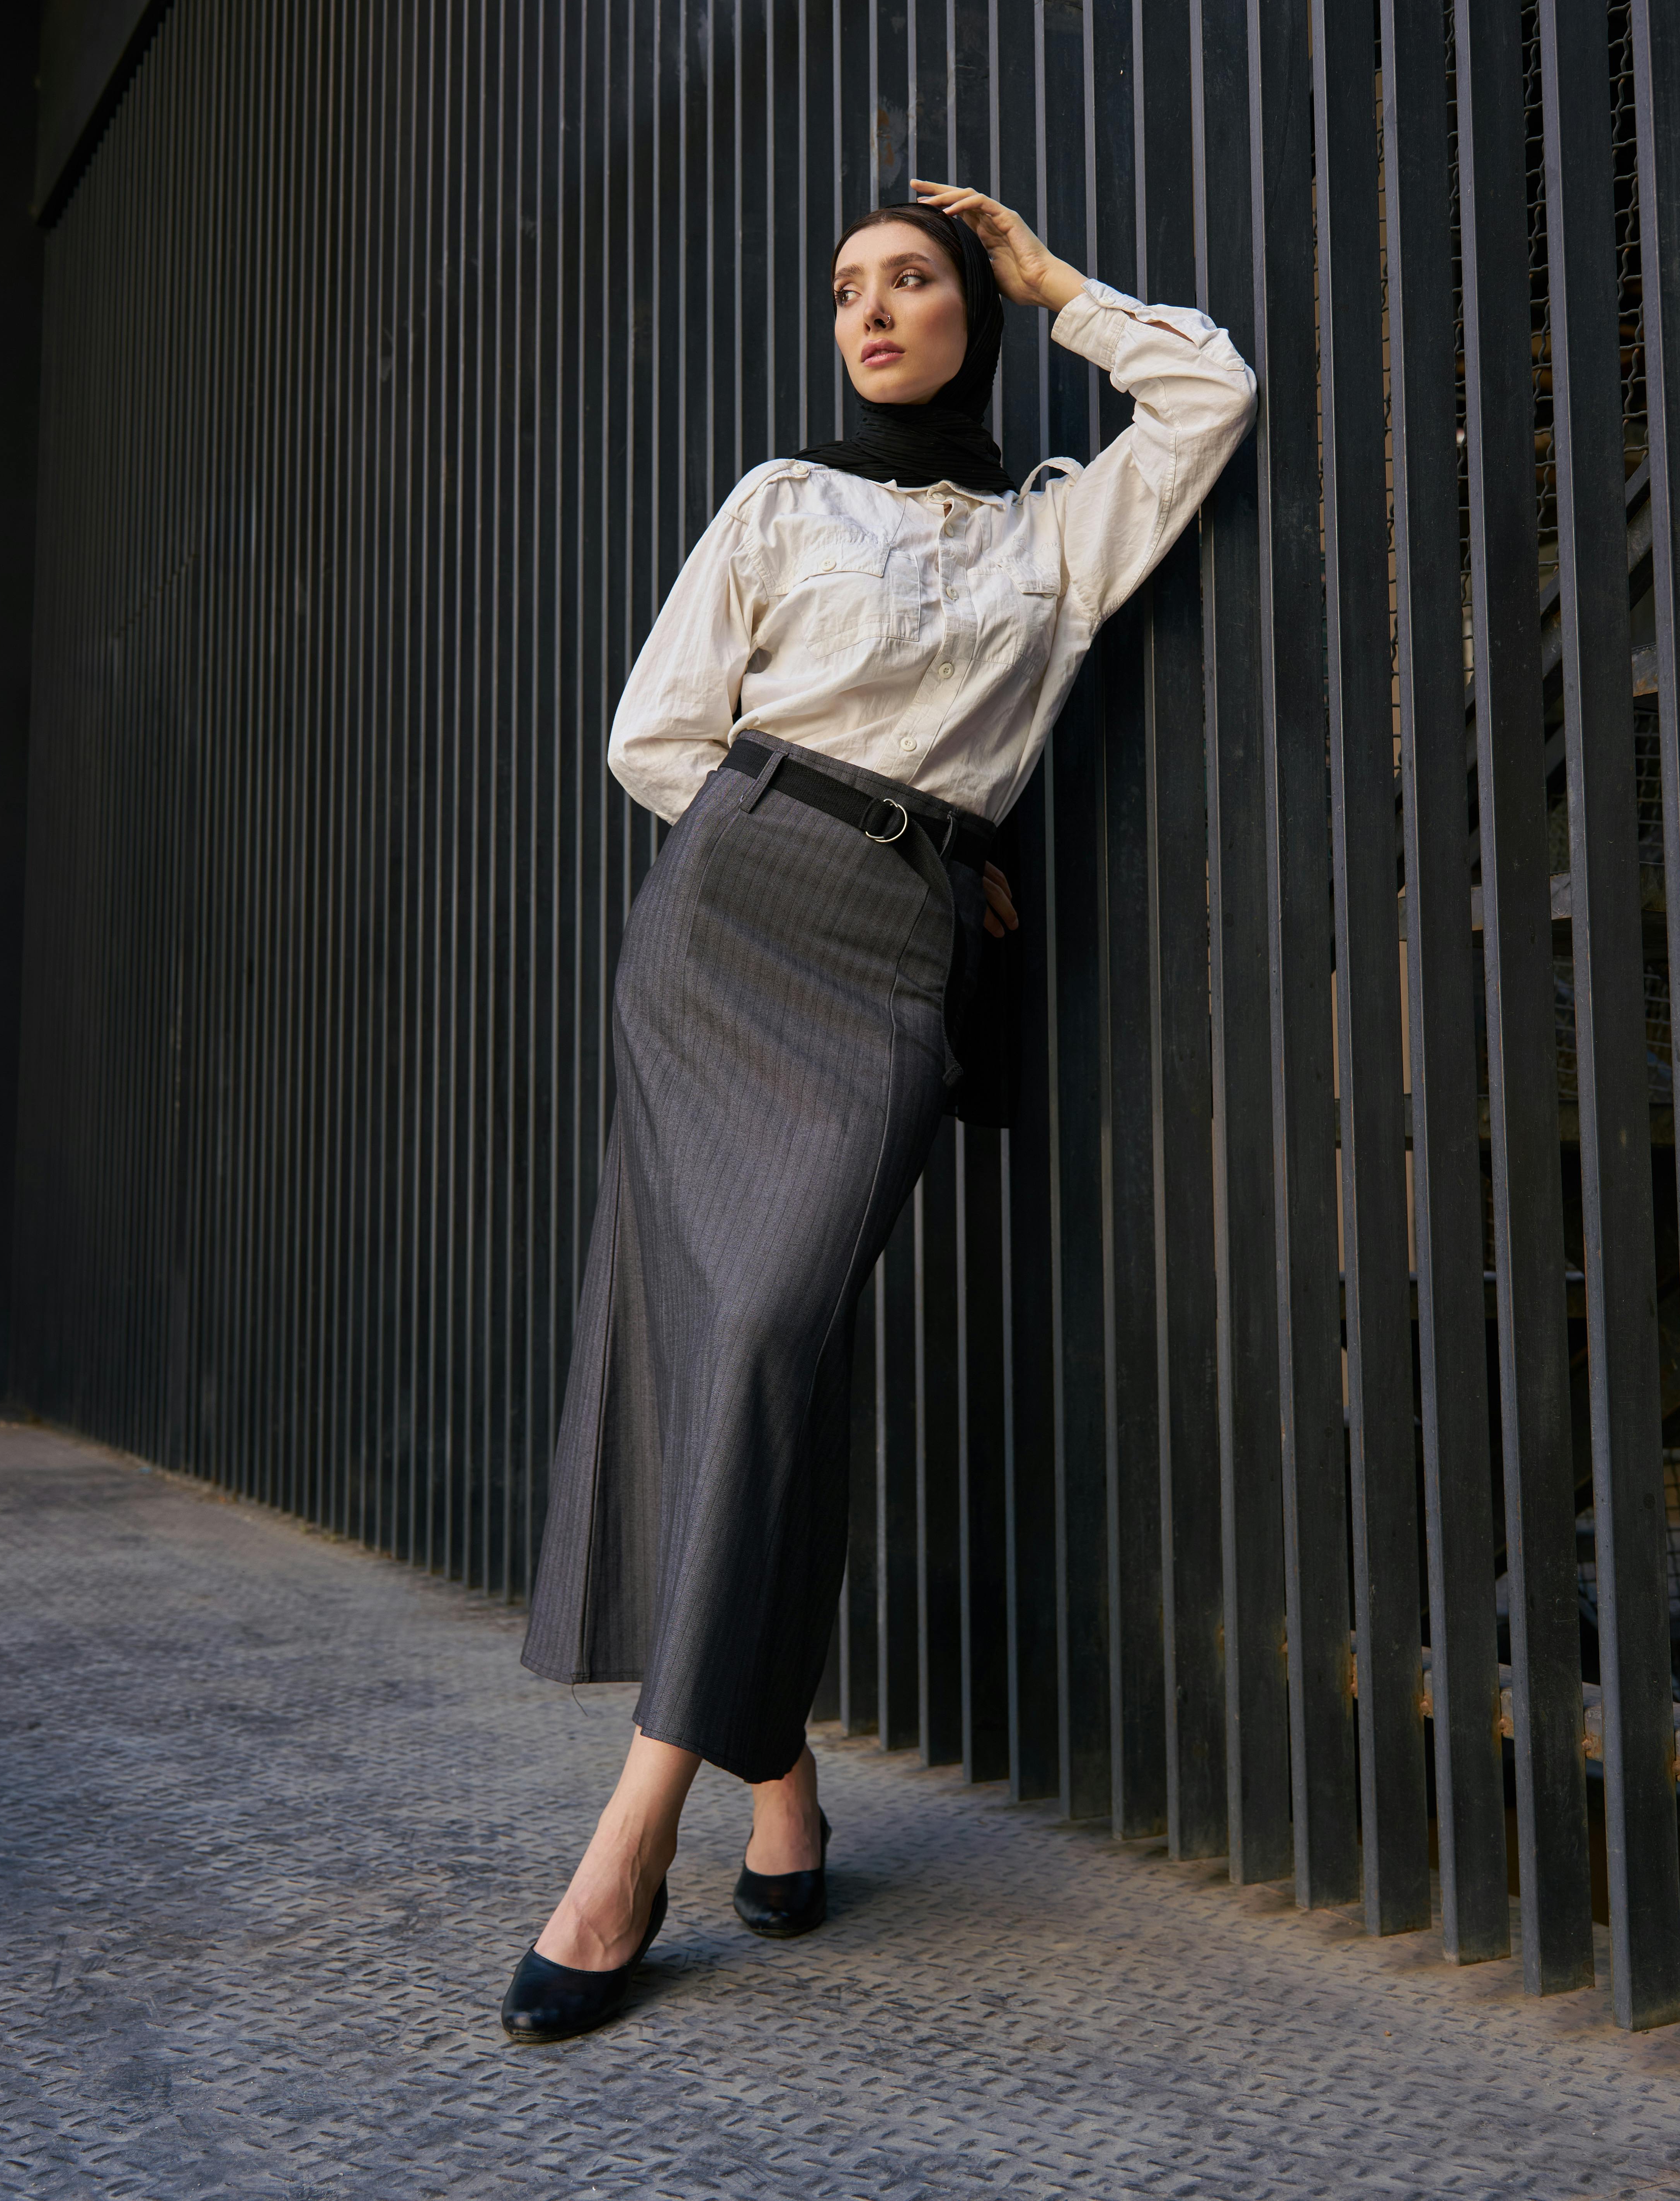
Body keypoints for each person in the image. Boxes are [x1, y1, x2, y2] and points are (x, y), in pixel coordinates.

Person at [500, 182, 1256, 2042]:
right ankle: (764, 1794)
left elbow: (1207, 400)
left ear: (969, 315)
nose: (871, 312)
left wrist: (1050, 277)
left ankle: (632, 1834)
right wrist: (812, 830)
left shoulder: (1056, 536)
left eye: (910, 282)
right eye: (846, 289)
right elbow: (653, 734)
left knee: (768, 1337)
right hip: (726, 930)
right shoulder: (777, 501)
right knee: (758, 1356)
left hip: (889, 969)